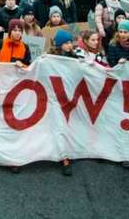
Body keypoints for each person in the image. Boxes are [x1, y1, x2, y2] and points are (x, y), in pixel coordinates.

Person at [48, 29, 78, 176]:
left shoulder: (75, 57)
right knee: (59, 126)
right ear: (59, 45)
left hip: (69, 97)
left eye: (70, 42)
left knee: (68, 127)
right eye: (65, 43)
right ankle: (64, 158)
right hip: (54, 98)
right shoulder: (50, 58)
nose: (69, 45)